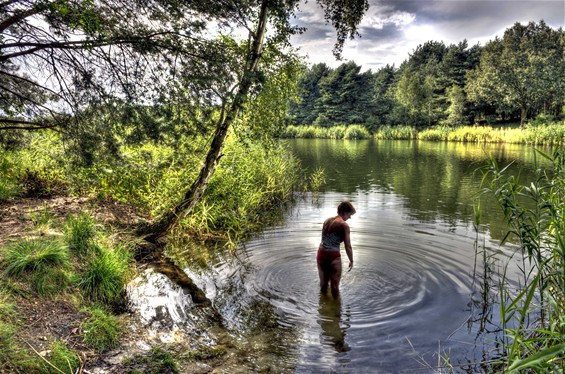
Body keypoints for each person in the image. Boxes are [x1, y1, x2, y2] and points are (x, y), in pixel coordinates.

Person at [317, 201, 356, 298]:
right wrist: (351, 260)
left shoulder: (327, 220)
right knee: (334, 287)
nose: (350, 217)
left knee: (323, 285)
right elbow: (348, 246)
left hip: (321, 254)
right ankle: (335, 311)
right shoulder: (344, 225)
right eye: (349, 214)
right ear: (343, 212)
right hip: (333, 256)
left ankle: (323, 307)